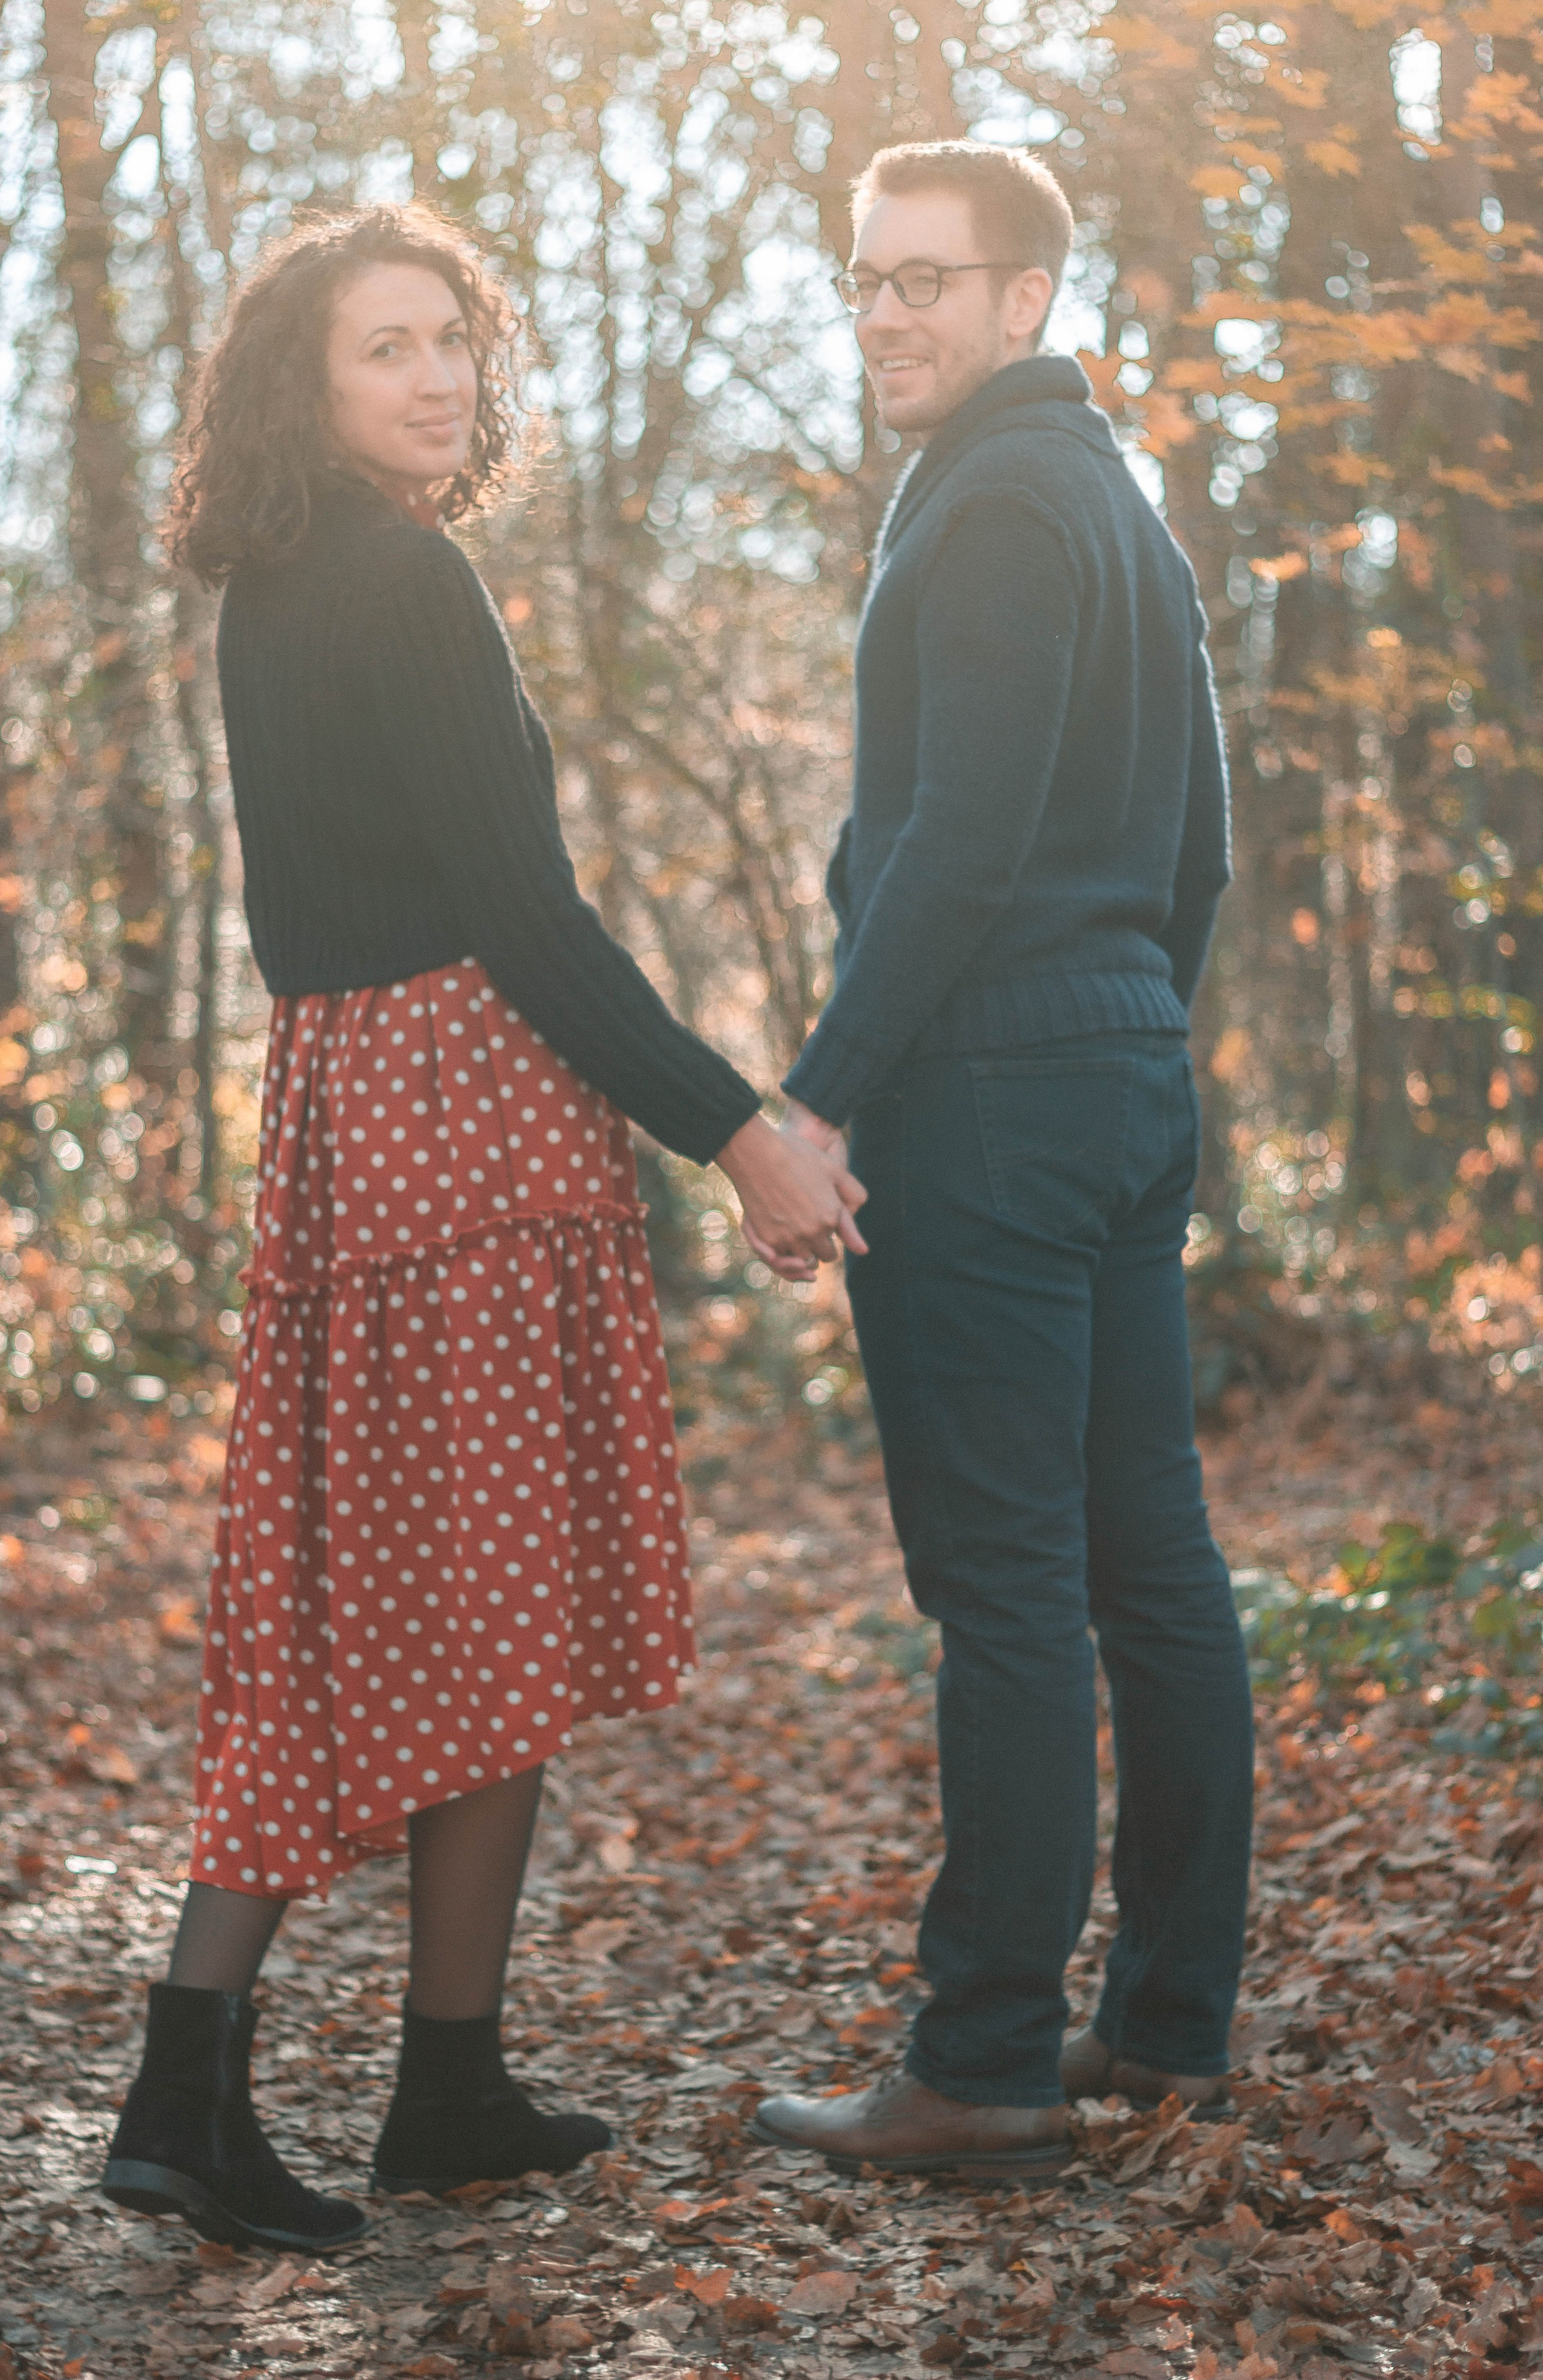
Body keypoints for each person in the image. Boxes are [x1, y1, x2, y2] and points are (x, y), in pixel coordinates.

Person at [99, 203, 867, 2252]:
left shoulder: (280, 579)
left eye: (454, 338)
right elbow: (528, 921)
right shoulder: (400, 578)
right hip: (458, 1135)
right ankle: (187, 2090)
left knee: (431, 1607)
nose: (437, 376)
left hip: (368, 1124)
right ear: (305, 384)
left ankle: (445, 2087)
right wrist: (743, 1135)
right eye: (385, 348)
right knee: (397, 1616)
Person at [753, 142, 1254, 2180]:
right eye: (866, 280)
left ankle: (978, 2060)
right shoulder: (1123, 508)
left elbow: (952, 840)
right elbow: (1202, 844)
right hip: (1124, 1066)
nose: (887, 315)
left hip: (990, 1089)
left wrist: (820, 1095)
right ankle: (1168, 2028)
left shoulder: (988, 508)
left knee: (1013, 1593)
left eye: (929, 283)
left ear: (1029, 298)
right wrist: (1130, 1021)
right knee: (1152, 1568)